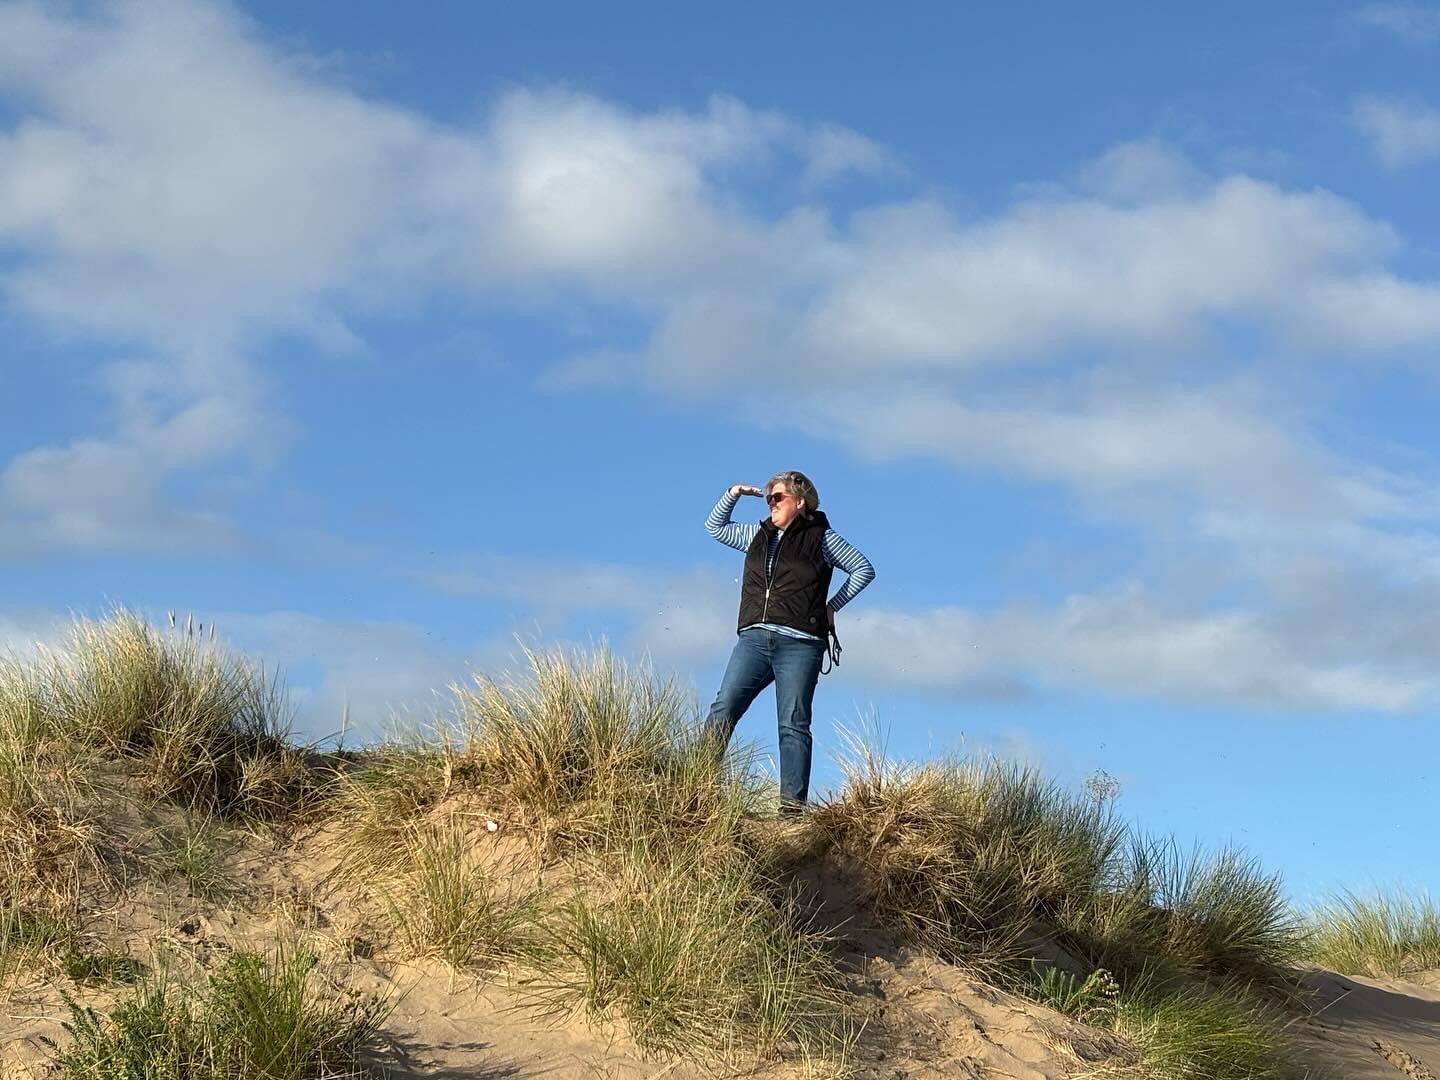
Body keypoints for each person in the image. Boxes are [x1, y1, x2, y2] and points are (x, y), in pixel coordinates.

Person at [703, 470, 875, 813]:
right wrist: (733, 493)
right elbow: (715, 527)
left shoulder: (822, 538)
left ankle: (791, 812)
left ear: (801, 501)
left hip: (800, 644)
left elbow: (863, 569)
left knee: (793, 725)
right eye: (769, 498)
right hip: (753, 638)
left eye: (778, 497)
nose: (771, 503)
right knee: (723, 710)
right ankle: (694, 786)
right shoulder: (757, 534)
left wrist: (831, 607)